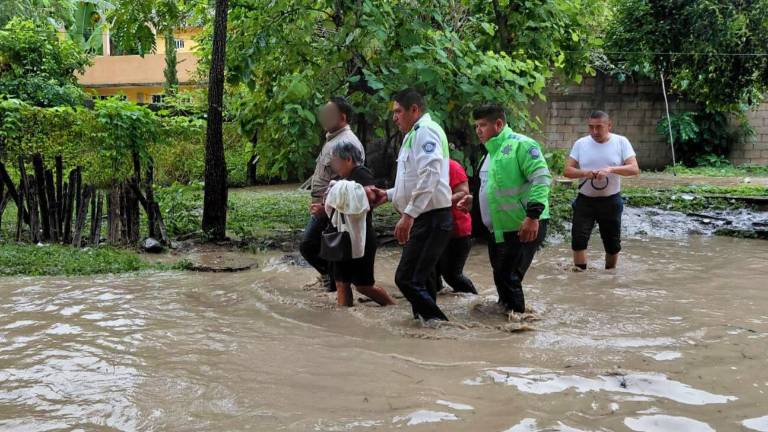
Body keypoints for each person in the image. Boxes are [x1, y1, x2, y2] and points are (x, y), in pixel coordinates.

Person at [369, 88, 453, 322]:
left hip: (431, 218)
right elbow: (414, 183)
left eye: (398, 111)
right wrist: (387, 194)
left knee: (406, 279)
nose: (394, 117)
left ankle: (441, 327)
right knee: (422, 280)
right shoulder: (413, 135)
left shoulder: (425, 131)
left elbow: (430, 175)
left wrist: (408, 215)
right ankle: (425, 330)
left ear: (414, 110)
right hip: (426, 217)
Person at [460, 104, 551, 314]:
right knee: (500, 275)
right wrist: (474, 200)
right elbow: (494, 188)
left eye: (482, 125)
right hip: (499, 229)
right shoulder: (489, 153)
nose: (478, 131)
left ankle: (518, 326)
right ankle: (505, 315)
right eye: (476, 126)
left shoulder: (523, 145)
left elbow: (542, 179)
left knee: (508, 276)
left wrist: (532, 216)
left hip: (524, 224)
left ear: (498, 124)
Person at [300, 96, 364, 292]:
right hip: (324, 205)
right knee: (328, 246)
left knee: (308, 245)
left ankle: (335, 280)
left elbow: (354, 180)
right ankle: (335, 282)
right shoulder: (333, 139)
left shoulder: (347, 142)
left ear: (342, 117)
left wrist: (327, 207)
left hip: (333, 208)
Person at [563, 110, 640, 270]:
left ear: (609, 126)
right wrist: (586, 173)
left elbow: (634, 169)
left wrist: (611, 169)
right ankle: (580, 278)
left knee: (612, 244)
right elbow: (568, 171)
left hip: (610, 200)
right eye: (591, 127)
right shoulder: (581, 143)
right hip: (585, 200)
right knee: (578, 241)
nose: (594, 132)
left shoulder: (621, 142)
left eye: (599, 127)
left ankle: (610, 277)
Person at [325, 141, 396, 307]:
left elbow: (369, 200)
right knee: (341, 283)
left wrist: (336, 193)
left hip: (359, 237)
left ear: (348, 159)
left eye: (336, 161)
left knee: (364, 286)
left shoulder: (362, 174)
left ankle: (392, 307)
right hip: (343, 236)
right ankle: (345, 321)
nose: (334, 166)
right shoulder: (345, 177)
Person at [435, 159, 477, 294]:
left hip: (457, 230)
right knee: (430, 272)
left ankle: (474, 301)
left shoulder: (451, 166)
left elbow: (464, 192)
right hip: (434, 229)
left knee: (452, 275)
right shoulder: (420, 166)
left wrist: (437, 201)